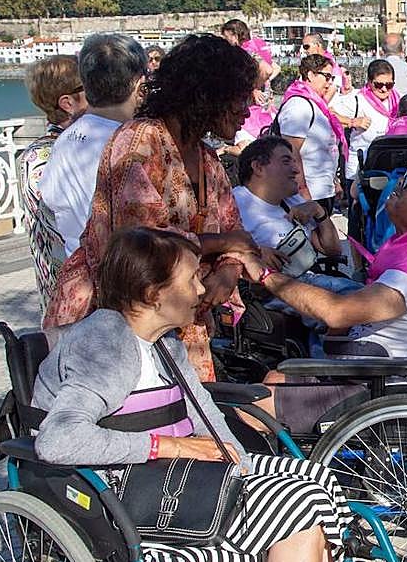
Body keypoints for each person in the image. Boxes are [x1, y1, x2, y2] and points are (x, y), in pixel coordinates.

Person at [33, 227, 407, 562]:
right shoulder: (104, 343)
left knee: (314, 478)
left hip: (177, 479)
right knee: (296, 504)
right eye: (191, 278)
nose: (201, 287)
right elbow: (58, 441)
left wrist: (239, 463)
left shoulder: (163, 342)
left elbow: (204, 414)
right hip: (123, 490)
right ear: (154, 292)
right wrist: (169, 446)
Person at [45, 35, 264, 383]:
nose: (247, 111)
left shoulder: (207, 159)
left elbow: (233, 229)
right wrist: (226, 245)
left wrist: (227, 271)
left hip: (177, 322)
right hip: (115, 327)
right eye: (239, 99)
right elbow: (144, 245)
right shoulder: (140, 142)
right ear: (207, 95)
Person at [240, 159, 407, 358]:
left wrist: (265, 274)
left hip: (373, 376)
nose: (397, 183)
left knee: (258, 397)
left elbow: (337, 312)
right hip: (379, 359)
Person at [40, 33, 147, 258]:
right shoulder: (134, 145)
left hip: (80, 267)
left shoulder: (63, 142)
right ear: (139, 84)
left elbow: (50, 201)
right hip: (126, 275)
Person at [18, 55, 87, 312]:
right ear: (68, 103)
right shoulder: (42, 156)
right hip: (71, 306)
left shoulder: (72, 146)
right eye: (88, 87)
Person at [234, 136, 345, 273]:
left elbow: (333, 250)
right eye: (286, 162)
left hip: (311, 283)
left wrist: (319, 211)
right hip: (272, 289)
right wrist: (252, 252)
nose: (296, 170)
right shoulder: (233, 203)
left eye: (294, 162)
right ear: (258, 167)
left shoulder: (292, 201)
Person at [279, 53, 348, 213]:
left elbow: (325, 148)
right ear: (310, 75)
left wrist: (334, 181)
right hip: (308, 192)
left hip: (323, 189)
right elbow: (290, 151)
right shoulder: (299, 106)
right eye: (327, 77)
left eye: (331, 78)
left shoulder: (316, 104)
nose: (329, 83)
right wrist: (302, 191)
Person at [330, 59, 396, 184]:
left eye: (389, 85)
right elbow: (329, 113)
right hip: (359, 170)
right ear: (370, 82)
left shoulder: (398, 100)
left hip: (388, 169)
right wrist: (351, 122)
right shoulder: (357, 100)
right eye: (378, 85)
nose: (384, 89)